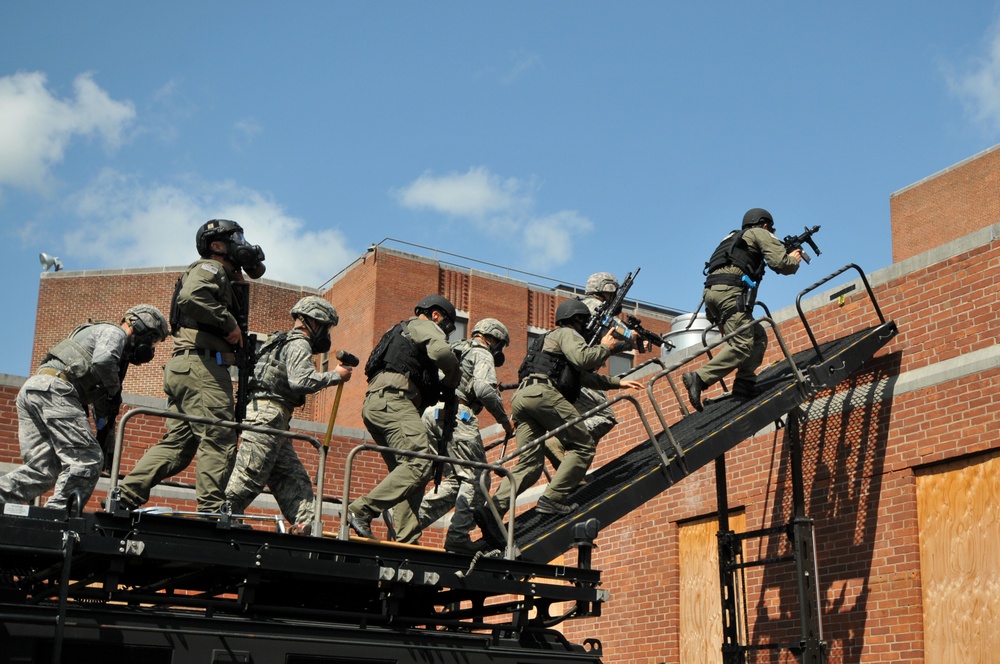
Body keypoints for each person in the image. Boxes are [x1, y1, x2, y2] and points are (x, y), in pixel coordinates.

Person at [117, 219, 266, 513]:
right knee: (220, 437)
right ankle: (211, 512)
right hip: (202, 367)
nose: (241, 243)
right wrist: (229, 323)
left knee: (179, 446)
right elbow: (191, 297)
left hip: (188, 366)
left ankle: (125, 496)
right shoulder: (210, 268)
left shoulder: (223, 274)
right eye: (235, 237)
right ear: (217, 245)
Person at [0, 305, 168, 512]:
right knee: (87, 460)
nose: (151, 348)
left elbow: (103, 407)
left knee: (44, 469)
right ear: (142, 327)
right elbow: (103, 361)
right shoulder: (114, 333)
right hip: (56, 390)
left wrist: (108, 440)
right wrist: (115, 391)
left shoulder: (106, 345)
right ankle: (57, 517)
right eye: (153, 340)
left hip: (35, 390)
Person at [486, 299, 643, 520]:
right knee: (584, 445)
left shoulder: (544, 341)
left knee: (530, 465)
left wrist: (617, 383)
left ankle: (492, 511)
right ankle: (553, 499)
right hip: (543, 394)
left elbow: (582, 377)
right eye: (584, 320)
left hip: (522, 398)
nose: (586, 325)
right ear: (576, 319)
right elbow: (584, 359)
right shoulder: (568, 333)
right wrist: (605, 347)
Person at [225, 296, 352, 535]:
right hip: (268, 415)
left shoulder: (279, 341)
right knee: (250, 474)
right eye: (326, 327)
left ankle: (307, 526)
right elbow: (300, 381)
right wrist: (336, 375)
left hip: (274, 417)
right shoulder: (299, 343)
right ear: (314, 322)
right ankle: (224, 515)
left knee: (292, 478)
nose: (326, 333)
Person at [346, 294, 461, 543]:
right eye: (449, 327)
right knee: (421, 463)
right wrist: (453, 376)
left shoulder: (400, 332)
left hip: (379, 404)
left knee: (409, 472)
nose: (447, 333)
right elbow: (442, 352)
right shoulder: (422, 325)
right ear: (436, 315)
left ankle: (407, 537)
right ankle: (361, 509)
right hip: (394, 401)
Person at [682, 208, 802, 411]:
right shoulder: (759, 233)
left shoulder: (730, 238)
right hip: (730, 292)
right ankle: (699, 378)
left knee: (757, 335)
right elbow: (781, 264)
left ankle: (744, 384)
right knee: (742, 345)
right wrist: (793, 259)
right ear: (764, 225)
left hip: (712, 294)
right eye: (770, 228)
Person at [417, 318, 514, 554]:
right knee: (477, 478)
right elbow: (483, 389)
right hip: (458, 413)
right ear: (491, 338)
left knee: (453, 480)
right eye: (499, 344)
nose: (498, 350)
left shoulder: (455, 349)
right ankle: (458, 537)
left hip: (430, 414)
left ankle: (407, 525)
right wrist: (504, 420)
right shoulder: (482, 353)